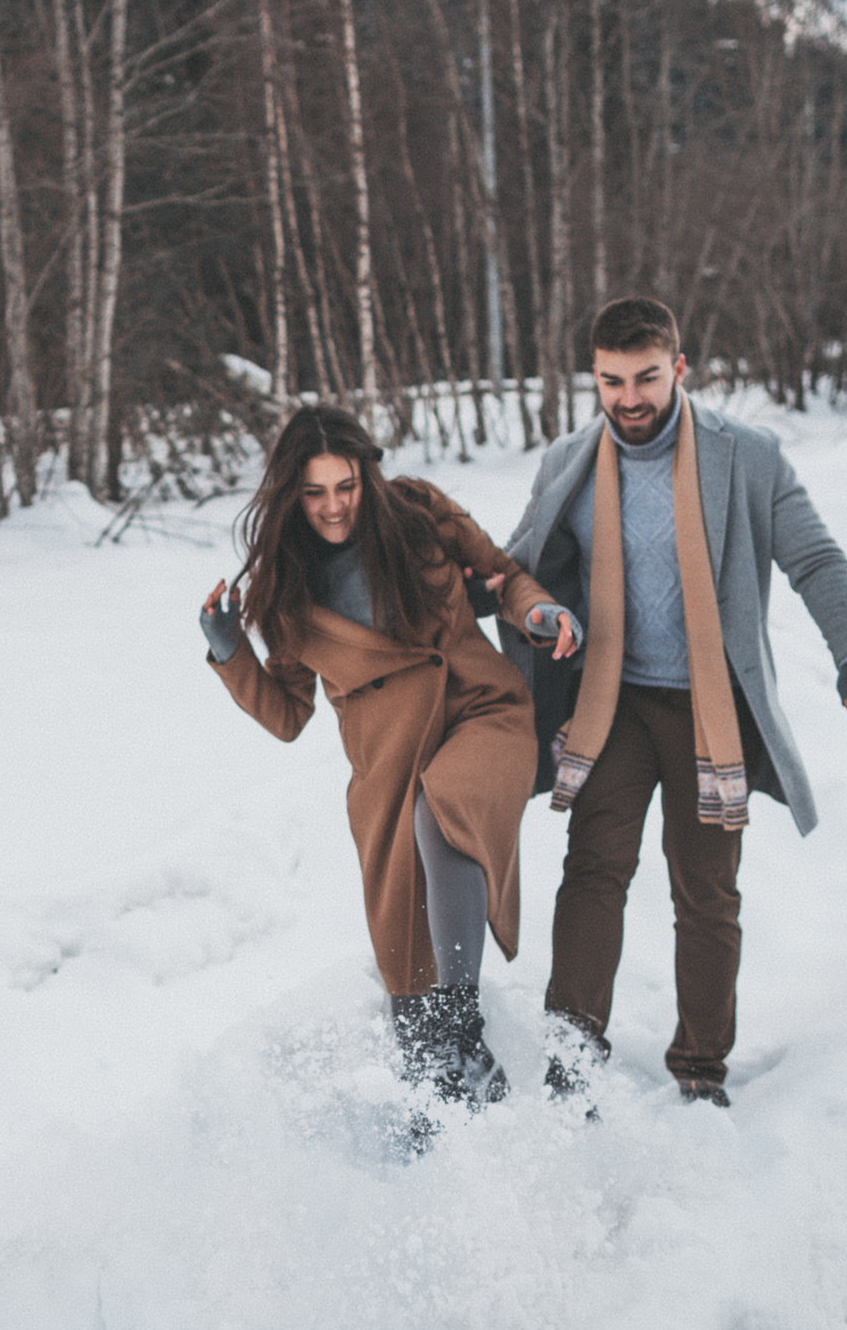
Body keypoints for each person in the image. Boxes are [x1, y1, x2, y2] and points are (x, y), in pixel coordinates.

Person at [497, 297, 847, 1108]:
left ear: (678, 368)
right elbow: (514, 570)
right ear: (595, 379)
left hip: (711, 709)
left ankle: (701, 1069)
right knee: (593, 871)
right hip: (613, 702)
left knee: (706, 889)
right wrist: (537, 612)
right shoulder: (569, 461)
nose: (629, 398)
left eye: (646, 377)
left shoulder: (745, 455)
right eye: (612, 381)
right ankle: (572, 1055)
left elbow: (815, 557)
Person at [199, 407, 575, 1128]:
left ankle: (465, 1024)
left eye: (347, 485)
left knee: (445, 806)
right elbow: (287, 714)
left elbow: (504, 575)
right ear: (290, 494)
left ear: (366, 475)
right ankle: (440, 1140)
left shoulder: (418, 512)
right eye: (315, 492)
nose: (336, 505)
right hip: (387, 767)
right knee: (412, 987)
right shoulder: (286, 590)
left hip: (481, 711)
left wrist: (541, 614)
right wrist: (228, 649)